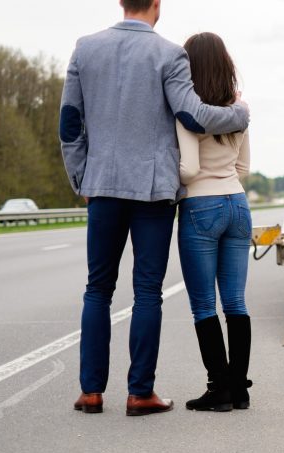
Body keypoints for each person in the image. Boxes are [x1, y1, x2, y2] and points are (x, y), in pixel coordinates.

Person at [59, 0, 249, 417]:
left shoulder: (85, 48)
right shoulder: (168, 54)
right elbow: (194, 116)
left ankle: (91, 392)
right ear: (157, 5)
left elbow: (70, 123)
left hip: (103, 186)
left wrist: (81, 179)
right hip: (153, 191)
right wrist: (240, 112)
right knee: (147, 292)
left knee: (97, 289)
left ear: (121, 2)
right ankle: (139, 393)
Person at [176, 33, 252, 412]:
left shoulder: (188, 113)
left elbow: (188, 169)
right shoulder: (239, 109)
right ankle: (239, 389)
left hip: (200, 206)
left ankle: (217, 388)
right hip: (238, 203)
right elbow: (244, 168)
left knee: (204, 304)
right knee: (235, 301)